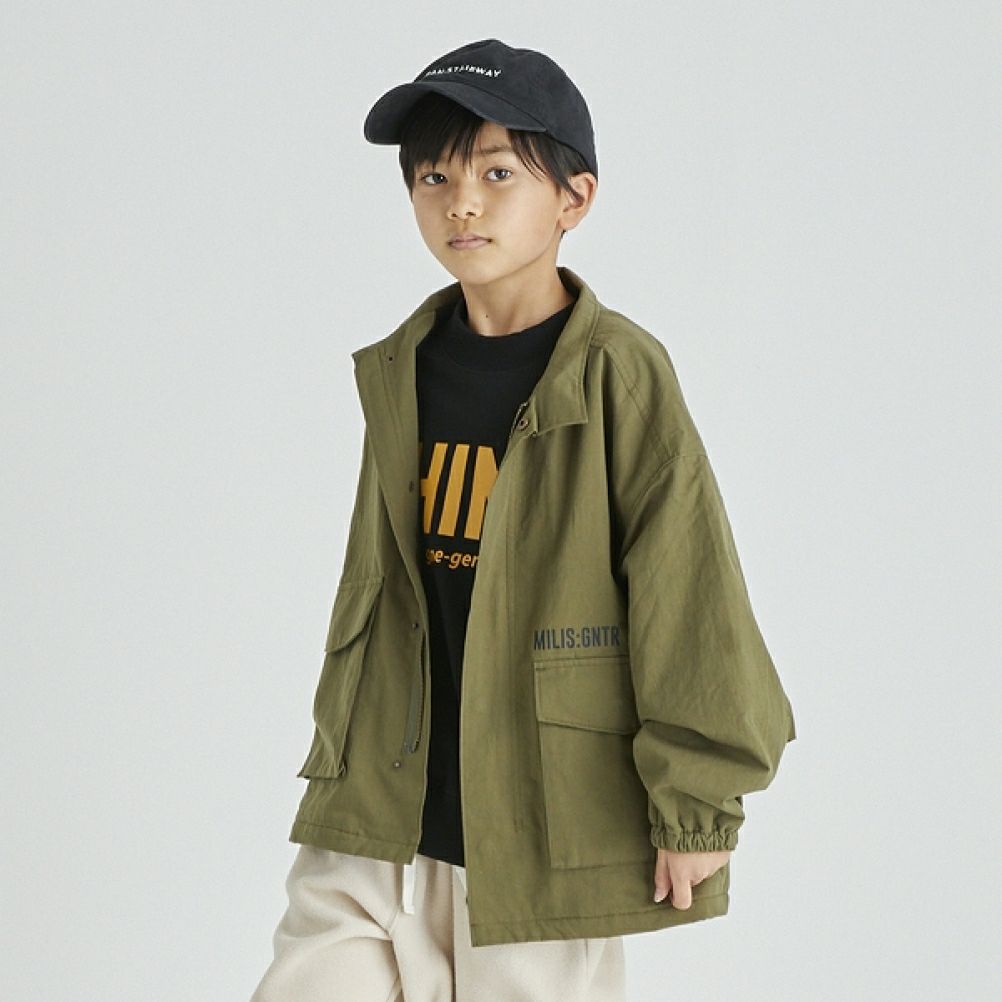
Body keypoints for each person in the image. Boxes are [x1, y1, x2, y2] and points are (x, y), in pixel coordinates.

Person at [251, 37, 797, 1002]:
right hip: (380, 801)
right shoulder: (403, 366)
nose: (461, 202)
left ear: (574, 199)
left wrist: (697, 805)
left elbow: (686, 585)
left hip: (543, 816)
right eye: (434, 176)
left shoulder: (617, 372)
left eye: (498, 173)